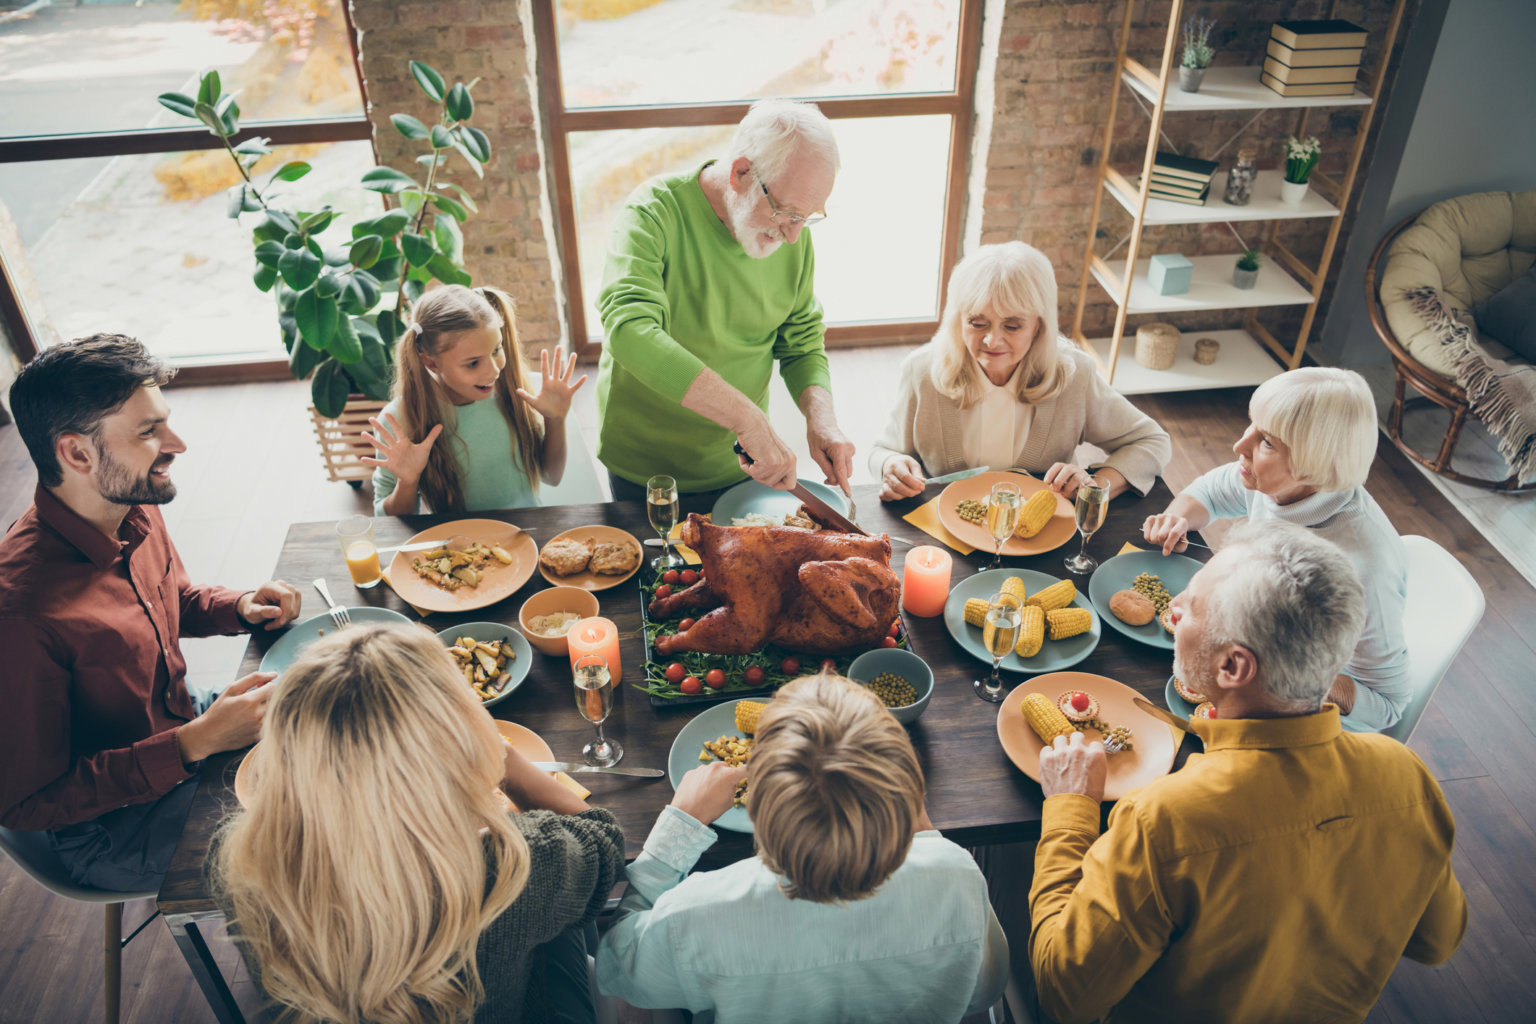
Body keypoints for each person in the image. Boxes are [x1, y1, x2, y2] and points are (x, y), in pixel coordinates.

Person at [1028, 522, 1466, 1024]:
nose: (1173, 611)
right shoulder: (1407, 776)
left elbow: (1061, 994)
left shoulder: (1163, 821)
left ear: (1234, 668)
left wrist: (1071, 806)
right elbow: (1438, 941)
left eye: (1189, 608)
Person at [0, 334, 301, 892]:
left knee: (334, 713)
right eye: (148, 432)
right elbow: (29, 802)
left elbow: (170, 600)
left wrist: (237, 606)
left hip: (183, 723)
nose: (177, 443)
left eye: (165, 421)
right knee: (323, 838)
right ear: (78, 453)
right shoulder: (19, 616)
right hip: (109, 828)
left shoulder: (131, 502)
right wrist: (195, 744)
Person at [210, 623, 626, 1023]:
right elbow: (605, 844)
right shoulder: (510, 865)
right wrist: (498, 755)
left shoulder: (235, 859)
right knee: (567, 914)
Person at [596, 674, 1008, 1021]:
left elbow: (619, 968)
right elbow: (986, 989)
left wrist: (678, 826)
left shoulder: (696, 914)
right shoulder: (957, 874)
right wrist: (924, 833)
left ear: (758, 805)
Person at [595, 98, 856, 500]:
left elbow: (800, 339)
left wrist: (822, 420)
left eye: (805, 218)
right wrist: (749, 420)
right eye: (785, 213)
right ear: (740, 172)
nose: (792, 236)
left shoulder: (792, 237)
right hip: (649, 473)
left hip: (744, 467)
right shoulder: (652, 212)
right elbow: (629, 332)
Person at [1142, 366, 1408, 732]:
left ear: (1317, 464)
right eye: (1251, 425)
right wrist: (1177, 518)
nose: (1239, 446)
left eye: (1266, 442)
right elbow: (1209, 491)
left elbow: (1388, 706)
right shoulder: (1277, 485)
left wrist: (1284, 669)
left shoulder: (1367, 565)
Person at [870, 241, 1171, 503]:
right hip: (944, 535)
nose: (992, 340)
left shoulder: (1075, 375)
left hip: (1044, 538)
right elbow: (882, 451)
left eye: (1012, 326)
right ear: (957, 318)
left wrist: (1096, 484)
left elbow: (1152, 441)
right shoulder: (921, 370)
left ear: (1040, 325)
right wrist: (891, 465)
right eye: (977, 322)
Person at [364, 283, 586, 515]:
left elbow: (551, 476)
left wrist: (555, 420)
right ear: (431, 363)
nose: (494, 372)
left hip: (525, 533)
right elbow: (388, 518)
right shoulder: (399, 420)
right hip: (457, 547)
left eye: (496, 350)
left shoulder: (512, 393)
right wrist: (407, 482)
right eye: (473, 363)